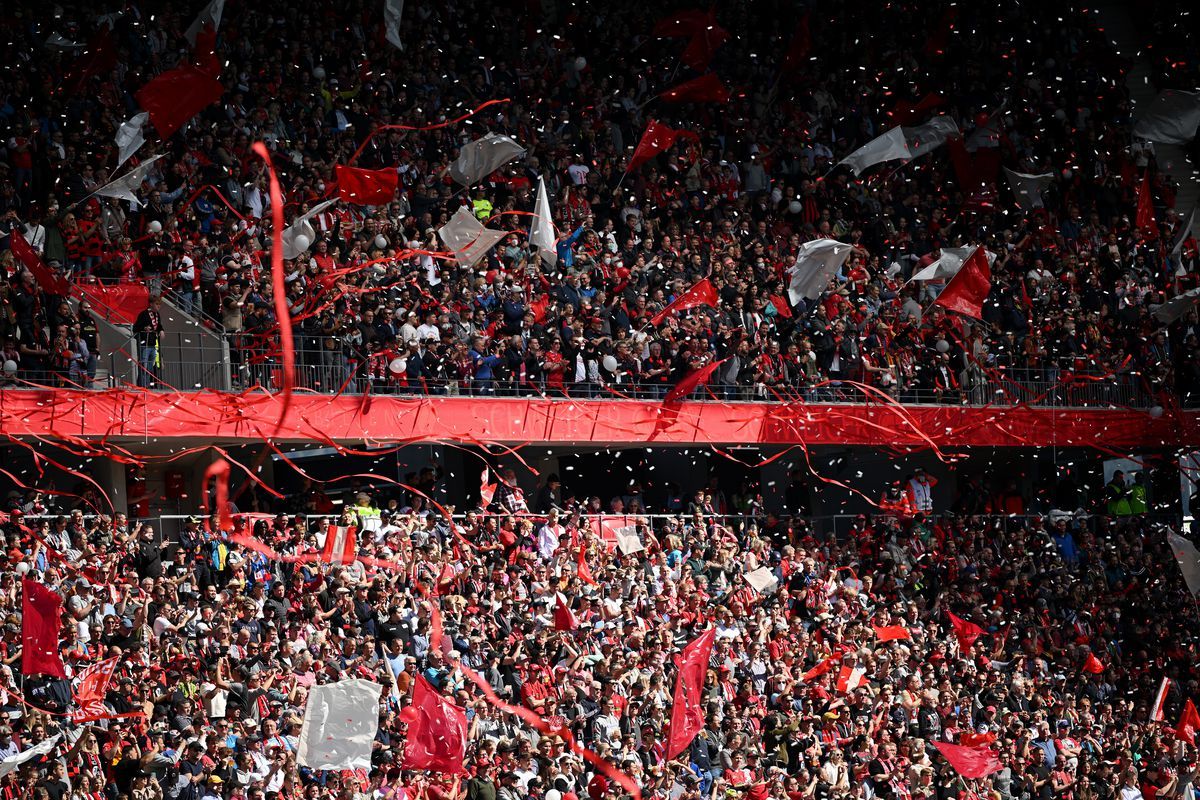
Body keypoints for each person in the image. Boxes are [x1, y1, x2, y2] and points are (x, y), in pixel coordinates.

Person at [133, 295, 164, 389]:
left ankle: (146, 386)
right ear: (151, 304)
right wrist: (144, 328)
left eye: (159, 304)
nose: (159, 306)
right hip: (144, 345)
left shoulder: (157, 315)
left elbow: (158, 326)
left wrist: (161, 330)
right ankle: (142, 386)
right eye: (157, 304)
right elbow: (135, 328)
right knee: (144, 367)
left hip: (152, 344)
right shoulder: (143, 314)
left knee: (149, 369)